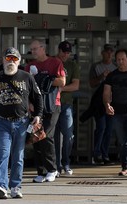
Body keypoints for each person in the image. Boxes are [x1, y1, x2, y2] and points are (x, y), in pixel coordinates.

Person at [0, 47, 43, 199]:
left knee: (18, 155)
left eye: (14, 59)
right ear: (3, 60)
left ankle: (15, 186)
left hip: (22, 122)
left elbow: (38, 97)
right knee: (3, 153)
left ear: (19, 61)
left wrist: (38, 116)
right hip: (1, 122)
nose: (11, 62)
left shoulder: (27, 77)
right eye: (8, 58)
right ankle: (1, 186)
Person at [24, 40, 66, 183]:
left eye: (35, 49)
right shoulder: (29, 66)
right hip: (35, 107)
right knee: (36, 135)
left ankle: (52, 169)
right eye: (31, 50)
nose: (33, 52)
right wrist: (29, 103)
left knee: (45, 135)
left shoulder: (55, 63)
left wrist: (45, 78)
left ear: (43, 48)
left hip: (53, 105)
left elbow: (62, 82)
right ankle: (41, 171)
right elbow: (25, 88)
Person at [103, 48, 127, 176]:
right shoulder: (112, 75)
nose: (120, 62)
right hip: (117, 113)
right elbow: (106, 92)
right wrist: (107, 104)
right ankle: (124, 167)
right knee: (122, 140)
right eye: (118, 60)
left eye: (123, 59)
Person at [54, 41, 80, 176]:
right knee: (55, 137)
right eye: (64, 51)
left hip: (66, 105)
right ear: (58, 50)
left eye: (68, 52)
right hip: (53, 105)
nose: (66, 54)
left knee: (68, 135)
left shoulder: (72, 64)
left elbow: (76, 86)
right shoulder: (52, 62)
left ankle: (66, 162)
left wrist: (60, 89)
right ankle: (57, 165)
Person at [89, 44, 117, 164]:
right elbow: (92, 83)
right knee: (101, 127)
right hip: (99, 102)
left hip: (112, 101)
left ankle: (105, 154)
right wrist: (102, 76)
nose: (109, 54)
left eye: (111, 52)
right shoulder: (96, 66)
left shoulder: (115, 67)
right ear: (103, 53)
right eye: (107, 52)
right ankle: (97, 154)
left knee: (109, 129)